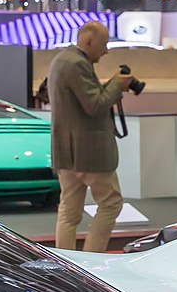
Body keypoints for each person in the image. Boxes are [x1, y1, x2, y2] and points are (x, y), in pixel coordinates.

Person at [47, 20, 134, 252]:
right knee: (112, 204)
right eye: (103, 44)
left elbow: (81, 99)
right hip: (88, 152)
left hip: (66, 152)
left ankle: (66, 262)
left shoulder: (61, 60)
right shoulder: (77, 63)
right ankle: (91, 259)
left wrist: (110, 86)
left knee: (69, 211)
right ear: (88, 40)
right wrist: (116, 85)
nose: (105, 51)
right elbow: (94, 105)